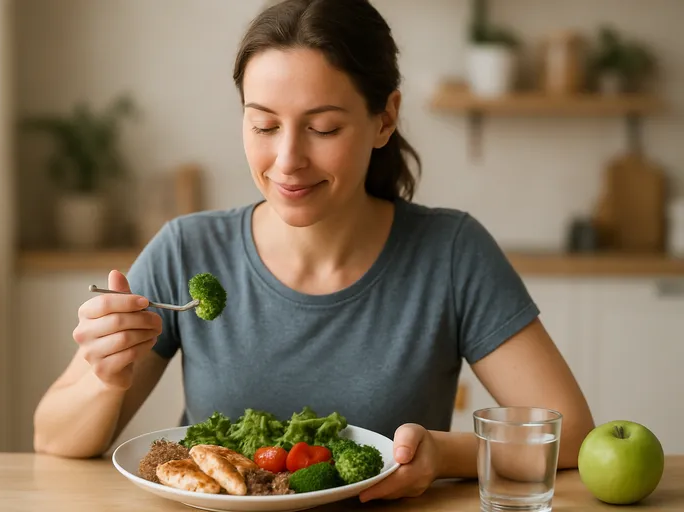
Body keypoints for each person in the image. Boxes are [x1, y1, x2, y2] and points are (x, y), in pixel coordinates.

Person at [33, 0, 595, 502]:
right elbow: (53, 439)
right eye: (264, 125)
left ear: (385, 119)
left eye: (323, 129)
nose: (287, 160)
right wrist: (106, 378)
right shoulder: (188, 249)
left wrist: (442, 456)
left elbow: (567, 435)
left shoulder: (450, 252)